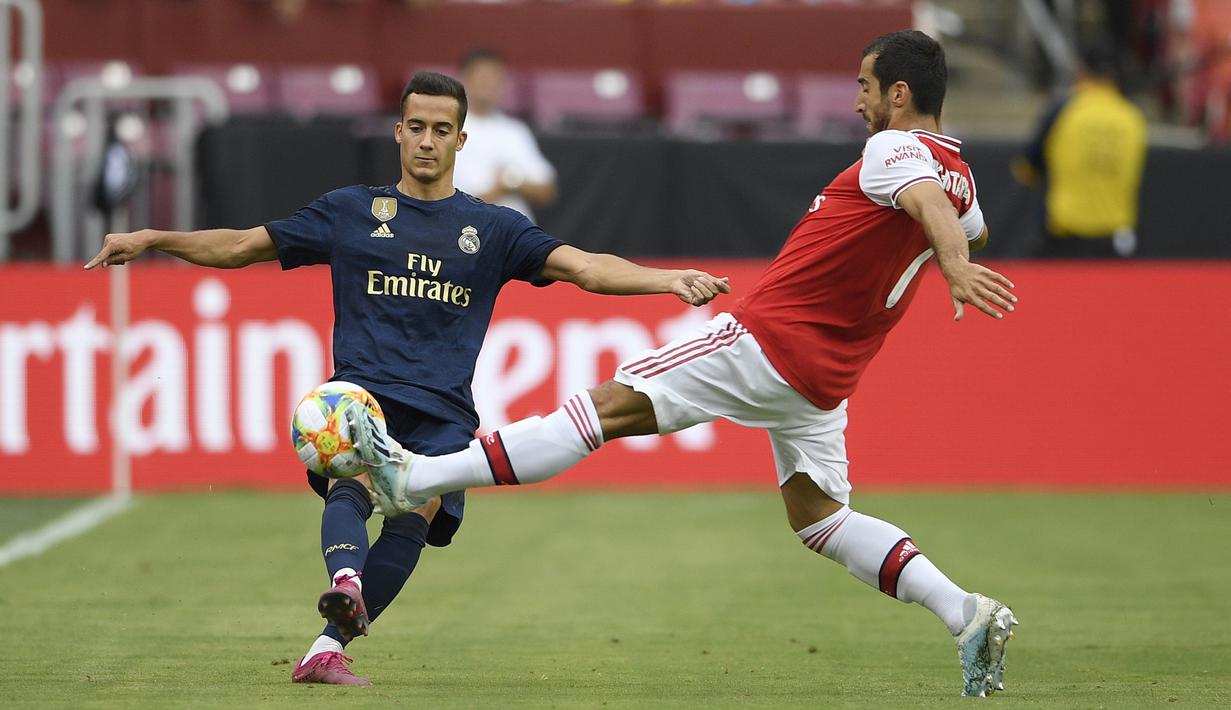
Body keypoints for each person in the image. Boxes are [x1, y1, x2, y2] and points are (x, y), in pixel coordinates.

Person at [354, 31, 1021, 698]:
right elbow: (965, 220)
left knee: (597, 411)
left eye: (865, 87)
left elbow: (929, 207)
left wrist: (953, 265)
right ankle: (964, 612)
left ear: (898, 95)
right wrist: (948, 242)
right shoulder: (956, 173)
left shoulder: (891, 148)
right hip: (825, 380)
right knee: (820, 519)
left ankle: (414, 474)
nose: (856, 103)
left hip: (766, 341)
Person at [84, 71, 730, 686]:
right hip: (362, 396)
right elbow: (240, 246)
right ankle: (345, 584)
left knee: (412, 519)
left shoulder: (494, 228)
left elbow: (584, 267)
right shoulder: (350, 211)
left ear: (460, 140)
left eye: (440, 129)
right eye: (416, 126)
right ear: (397, 132)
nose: (426, 140)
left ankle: (326, 647)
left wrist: (664, 279)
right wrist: (154, 237)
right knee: (359, 479)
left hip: (445, 410)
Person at [1014, 36, 1148, 258]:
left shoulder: (1064, 110)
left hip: (1066, 240)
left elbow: (1025, 169)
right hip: (1116, 241)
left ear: (1081, 70)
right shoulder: (1133, 117)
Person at [451, 48, 558, 220]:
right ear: (466, 79)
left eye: (496, 77)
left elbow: (546, 191)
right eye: (483, 77)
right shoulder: (450, 129)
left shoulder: (516, 131)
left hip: (520, 236)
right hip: (469, 234)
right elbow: (460, 203)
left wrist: (510, 181)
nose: (490, 84)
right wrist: (505, 185)